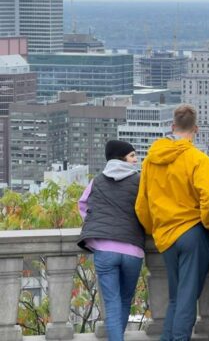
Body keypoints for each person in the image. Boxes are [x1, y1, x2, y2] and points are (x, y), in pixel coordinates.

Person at [135, 104, 209, 341]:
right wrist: (207, 222)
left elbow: (141, 204)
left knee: (175, 297)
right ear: (196, 129)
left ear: (172, 127)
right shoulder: (198, 160)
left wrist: (155, 229)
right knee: (186, 299)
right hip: (192, 233)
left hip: (165, 236)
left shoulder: (150, 161)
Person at [77, 140, 143, 341]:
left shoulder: (97, 181)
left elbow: (82, 204)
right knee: (124, 301)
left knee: (112, 303)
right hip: (133, 248)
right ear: (121, 157)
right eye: (132, 155)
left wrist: (97, 223)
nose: (136, 159)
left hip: (105, 248)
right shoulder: (139, 180)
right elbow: (147, 209)